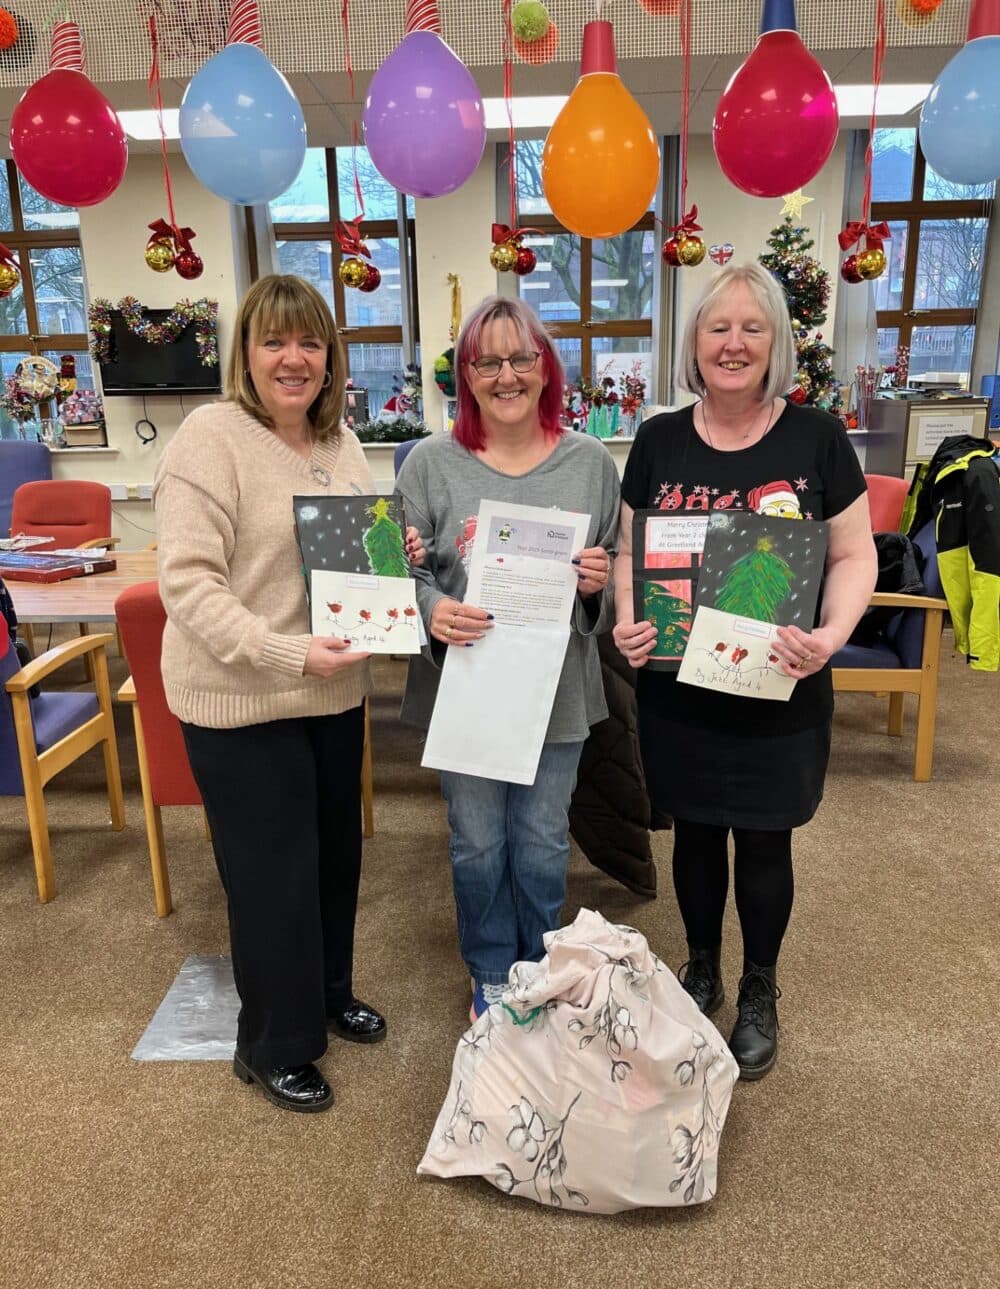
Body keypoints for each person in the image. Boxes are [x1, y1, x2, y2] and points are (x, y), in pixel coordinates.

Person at [155, 274, 422, 1113]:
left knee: (334, 861)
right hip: (243, 699)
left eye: (310, 341)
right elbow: (188, 586)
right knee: (272, 879)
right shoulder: (209, 439)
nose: (293, 358)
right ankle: (272, 1042)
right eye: (274, 341)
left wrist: (394, 550)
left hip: (332, 696)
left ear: (331, 357)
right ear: (246, 354)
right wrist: (285, 652)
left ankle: (329, 992)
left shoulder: (342, 442)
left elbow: (348, 561)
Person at [613, 262, 877, 1080]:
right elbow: (627, 551)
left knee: (765, 840)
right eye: (717, 327)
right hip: (679, 691)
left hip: (780, 691)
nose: (733, 343)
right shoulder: (658, 440)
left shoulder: (817, 438)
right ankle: (702, 965)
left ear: (776, 343)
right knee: (694, 832)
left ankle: (759, 986)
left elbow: (854, 553)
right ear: (695, 343)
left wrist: (832, 634)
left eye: (751, 328)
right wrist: (627, 619)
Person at [396, 295, 620, 1022]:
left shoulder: (590, 464)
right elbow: (402, 572)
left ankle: (538, 966)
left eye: (521, 358)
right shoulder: (429, 464)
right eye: (486, 362)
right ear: (465, 375)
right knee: (478, 842)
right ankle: (493, 969)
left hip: (556, 693)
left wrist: (596, 586)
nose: (506, 375)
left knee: (543, 841)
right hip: (466, 690)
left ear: (546, 367)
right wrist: (431, 607)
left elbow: (612, 581)